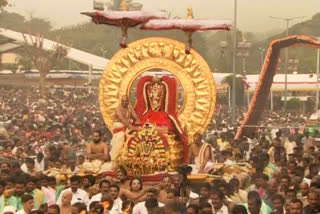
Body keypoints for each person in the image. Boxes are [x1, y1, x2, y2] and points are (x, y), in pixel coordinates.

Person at [110, 95, 140, 161]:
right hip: (119, 131)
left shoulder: (129, 108)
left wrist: (138, 121)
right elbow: (122, 119)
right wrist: (132, 127)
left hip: (127, 129)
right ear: (121, 101)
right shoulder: (117, 109)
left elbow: (135, 115)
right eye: (123, 101)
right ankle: (115, 161)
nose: (124, 102)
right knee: (118, 146)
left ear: (128, 102)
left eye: (126, 101)